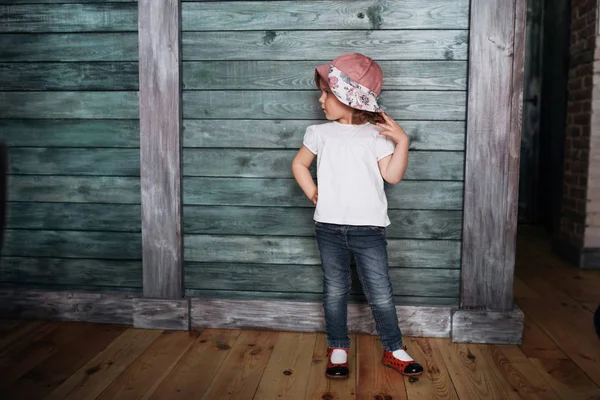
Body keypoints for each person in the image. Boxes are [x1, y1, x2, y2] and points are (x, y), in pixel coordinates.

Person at [291, 53, 424, 379]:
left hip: (368, 230)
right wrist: (313, 193)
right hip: (328, 228)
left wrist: (402, 141)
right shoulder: (319, 132)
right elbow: (298, 164)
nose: (320, 100)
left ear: (349, 97)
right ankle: (338, 347)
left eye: (326, 93)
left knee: (380, 292)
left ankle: (394, 349)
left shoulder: (375, 135)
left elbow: (392, 176)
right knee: (334, 289)